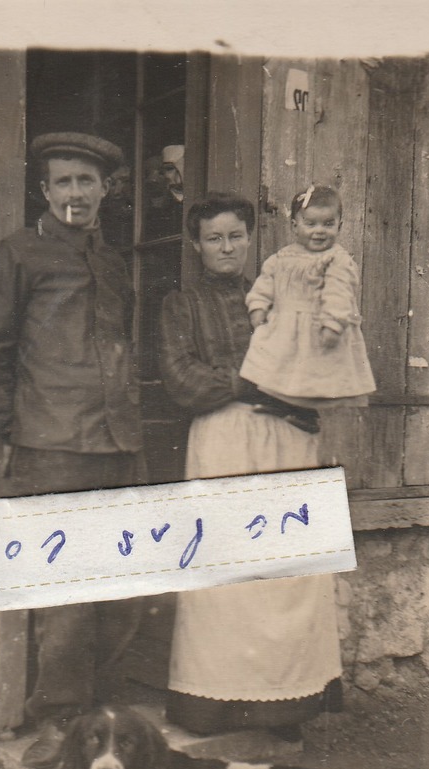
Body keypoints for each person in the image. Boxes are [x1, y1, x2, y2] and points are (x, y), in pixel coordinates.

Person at [0, 131, 145, 767]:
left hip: (119, 444)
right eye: (63, 182)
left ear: (104, 190)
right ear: (45, 191)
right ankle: (61, 725)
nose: (75, 193)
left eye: (86, 182)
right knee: (65, 594)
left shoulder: (113, 263)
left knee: (126, 584)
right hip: (53, 447)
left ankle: (104, 718)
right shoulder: (18, 254)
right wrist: (17, 428)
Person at [160, 192, 343, 739]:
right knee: (229, 573)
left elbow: (313, 365)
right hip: (224, 439)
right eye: (213, 238)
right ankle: (214, 707)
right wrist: (247, 380)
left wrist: (299, 395)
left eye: (235, 236)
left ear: (249, 240)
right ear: (196, 245)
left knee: (284, 573)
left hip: (286, 440)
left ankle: (284, 706)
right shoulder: (181, 304)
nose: (226, 247)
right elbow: (180, 378)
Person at [240, 184, 376, 407]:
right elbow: (265, 283)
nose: (319, 230)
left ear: (339, 226)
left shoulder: (337, 260)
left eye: (328, 224)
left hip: (319, 328)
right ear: (295, 225)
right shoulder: (281, 258)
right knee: (282, 375)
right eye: (310, 224)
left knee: (318, 377)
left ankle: (311, 409)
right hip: (285, 329)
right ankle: (284, 404)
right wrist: (258, 306)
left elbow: (339, 292)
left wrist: (332, 323)